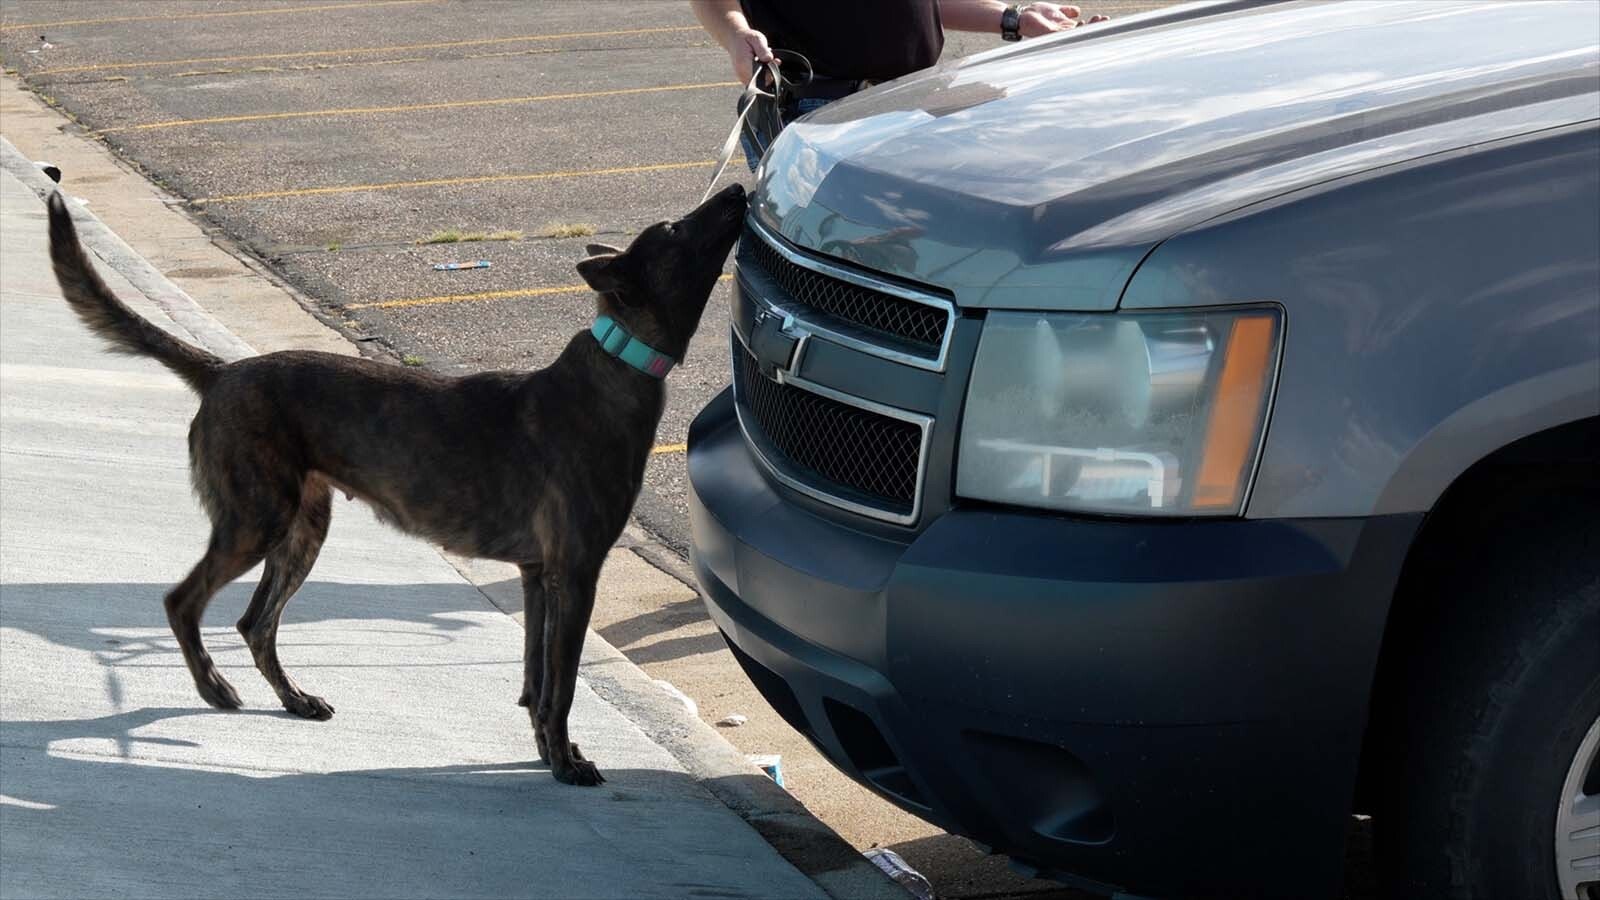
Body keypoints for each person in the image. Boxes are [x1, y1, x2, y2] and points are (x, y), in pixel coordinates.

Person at [693, 0, 1108, 163]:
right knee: (836, 276)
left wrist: (1013, 18)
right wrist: (735, 34)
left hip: (916, 98)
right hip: (822, 113)